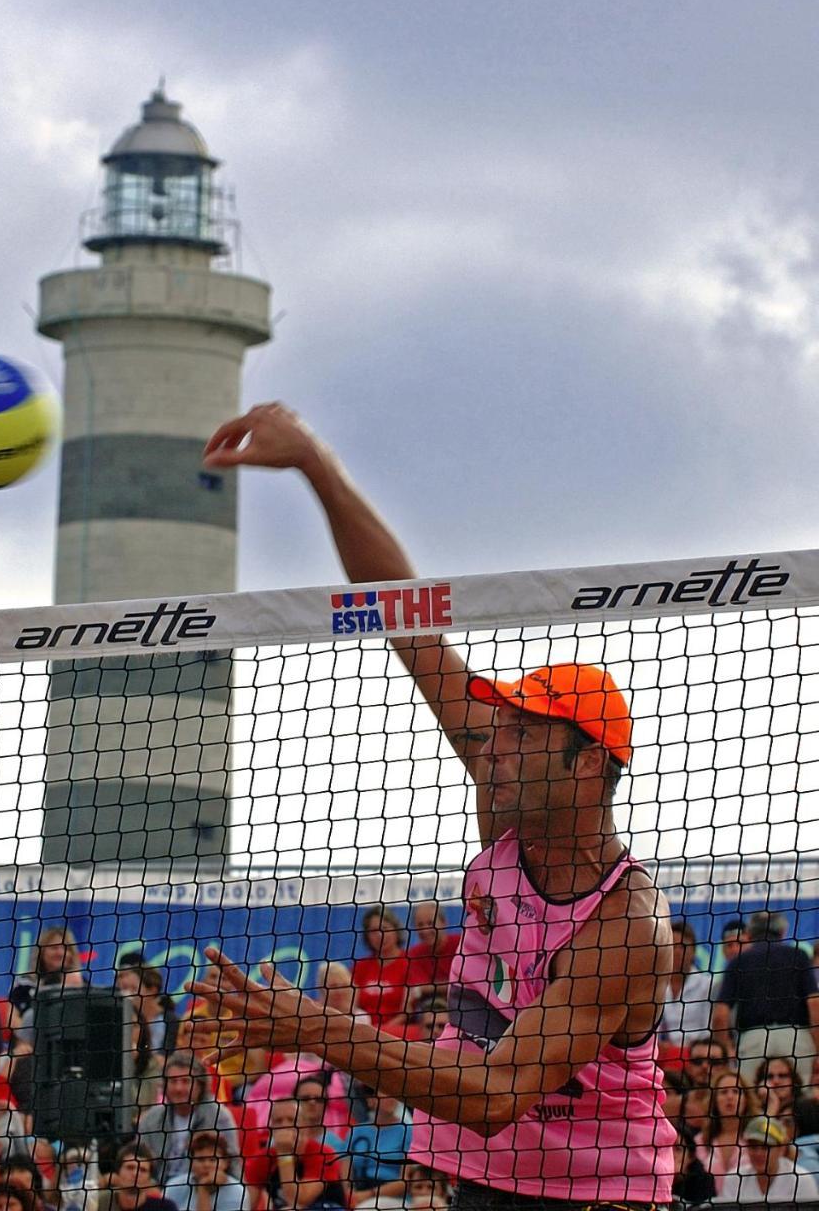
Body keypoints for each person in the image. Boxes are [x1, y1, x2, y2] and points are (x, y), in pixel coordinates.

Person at [192, 403, 678, 1208]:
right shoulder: (508, 794)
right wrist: (315, 462)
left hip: (595, 1195)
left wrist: (314, 1028)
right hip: (476, 1182)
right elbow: (405, 617)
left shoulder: (628, 924)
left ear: (588, 766)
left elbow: (495, 1094)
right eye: (502, 725)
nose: (494, 742)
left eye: (523, 733)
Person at [712, 909, 819, 1085]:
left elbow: (720, 1015)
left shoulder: (739, 961)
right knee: (799, 1101)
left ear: (750, 933)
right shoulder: (798, 956)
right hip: (795, 1038)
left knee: (751, 1103)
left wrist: (725, 1053)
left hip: (753, 1039)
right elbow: (814, 1004)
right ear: (783, 931)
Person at [135, 1049, 242, 1188]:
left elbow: (233, 1166)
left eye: (186, 1081)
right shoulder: (150, 1120)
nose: (179, 1088)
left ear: (200, 1085)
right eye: (173, 1081)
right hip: (158, 1192)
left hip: (205, 1189)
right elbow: (141, 1162)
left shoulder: (220, 1118)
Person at [712, 1114, 819, 1202]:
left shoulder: (801, 1180)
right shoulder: (734, 1179)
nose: (758, 1153)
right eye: (753, 1147)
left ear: (781, 1149)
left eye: (766, 1147)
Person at [697, 1069, 762, 1193]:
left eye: (736, 1091)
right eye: (723, 1092)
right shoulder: (700, 1140)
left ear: (746, 1099)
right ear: (714, 1100)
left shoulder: (757, 1139)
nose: (730, 1097)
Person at [350, 909, 410, 1031]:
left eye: (385, 929)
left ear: (396, 930)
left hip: (397, 1032)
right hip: (362, 1031)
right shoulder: (360, 967)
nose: (380, 935)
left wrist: (379, 1032)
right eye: (373, 931)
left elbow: (407, 1013)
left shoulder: (409, 963)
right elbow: (350, 1006)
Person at [660, 919, 715, 1048]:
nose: (677, 952)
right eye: (673, 946)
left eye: (683, 946)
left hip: (696, 1054)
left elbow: (709, 1030)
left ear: (694, 951)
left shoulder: (707, 985)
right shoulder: (655, 987)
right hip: (662, 1055)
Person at [163, 1131, 251, 1211]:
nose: (206, 1165)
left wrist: (203, 1189)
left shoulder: (238, 1192)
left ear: (225, 1163)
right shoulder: (173, 1186)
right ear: (191, 1163)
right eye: (200, 1160)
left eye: (213, 1160)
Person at [756, 1054, 819, 1139]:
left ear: (793, 1081)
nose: (776, 1081)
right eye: (770, 1076)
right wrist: (773, 1104)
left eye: (782, 1076)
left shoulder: (806, 1107)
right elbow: (758, 1142)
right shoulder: (754, 1111)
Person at [402, 901, 460, 995]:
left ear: (444, 923)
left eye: (430, 923)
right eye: (420, 925)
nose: (425, 930)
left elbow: (463, 985)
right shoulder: (414, 954)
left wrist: (427, 988)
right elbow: (420, 988)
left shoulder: (460, 945)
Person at [109, 1142, 180, 1211]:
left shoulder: (166, 1208)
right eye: (130, 1167)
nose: (135, 1173)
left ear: (149, 1179)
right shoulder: (101, 1202)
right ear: (118, 1172)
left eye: (143, 1170)